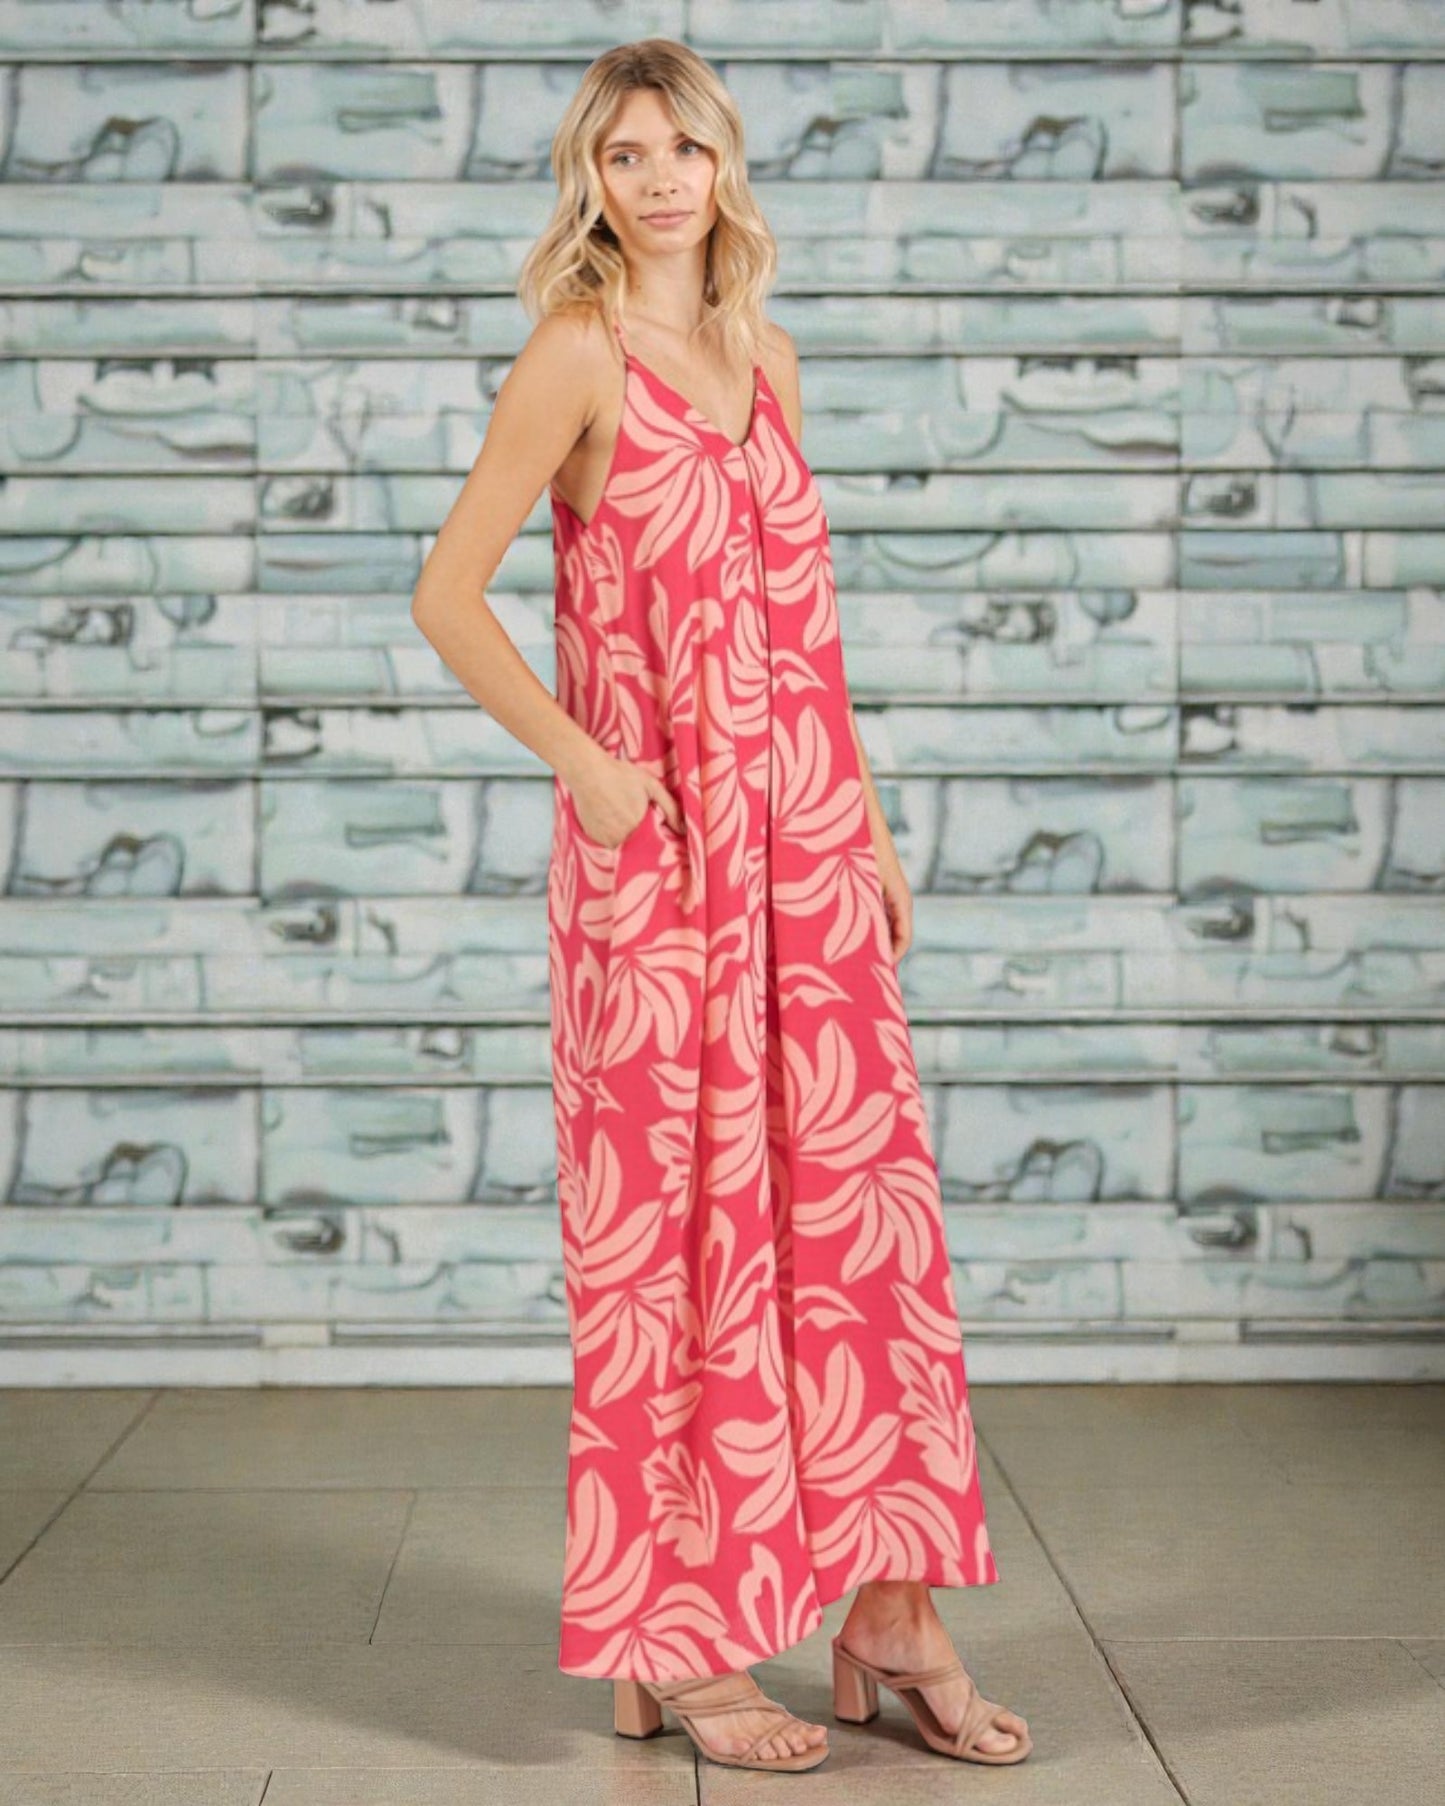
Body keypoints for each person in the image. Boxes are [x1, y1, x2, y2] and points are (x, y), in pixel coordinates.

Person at [410, 36, 1031, 1778]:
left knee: (860, 1238)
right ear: (590, 182)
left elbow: (801, 632)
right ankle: (669, 1638)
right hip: (662, 875)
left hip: (807, 851)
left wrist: (875, 826)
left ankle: (891, 1613)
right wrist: (582, 763)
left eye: (684, 146)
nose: (660, 177)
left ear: (724, 163)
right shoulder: (574, 356)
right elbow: (446, 595)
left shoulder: (768, 356)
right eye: (623, 154)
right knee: (673, 1250)